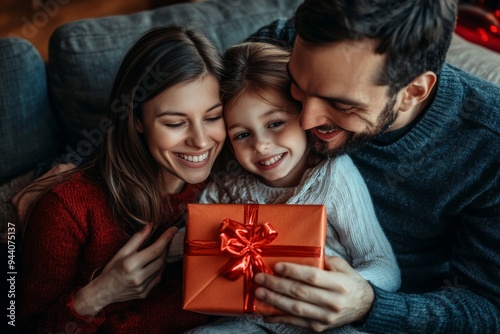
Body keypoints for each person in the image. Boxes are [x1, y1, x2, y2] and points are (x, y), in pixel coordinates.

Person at [245, 0, 500, 333]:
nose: (307, 119)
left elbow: (488, 308)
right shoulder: (282, 43)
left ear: (413, 91)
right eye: (297, 85)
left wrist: (368, 305)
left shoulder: (489, 145)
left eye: (340, 104)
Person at [178, 41, 400, 333]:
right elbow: (196, 240)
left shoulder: (333, 177)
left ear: (304, 114)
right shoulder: (229, 187)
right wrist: (178, 244)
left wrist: (348, 290)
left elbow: (384, 266)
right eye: (242, 134)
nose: (261, 145)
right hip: (249, 320)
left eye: (275, 123)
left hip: (321, 320)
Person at [18, 26, 226, 333]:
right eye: (175, 123)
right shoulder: (67, 209)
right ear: (138, 120)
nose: (200, 141)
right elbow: (25, 327)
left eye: (212, 117)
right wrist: (100, 294)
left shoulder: (229, 182)